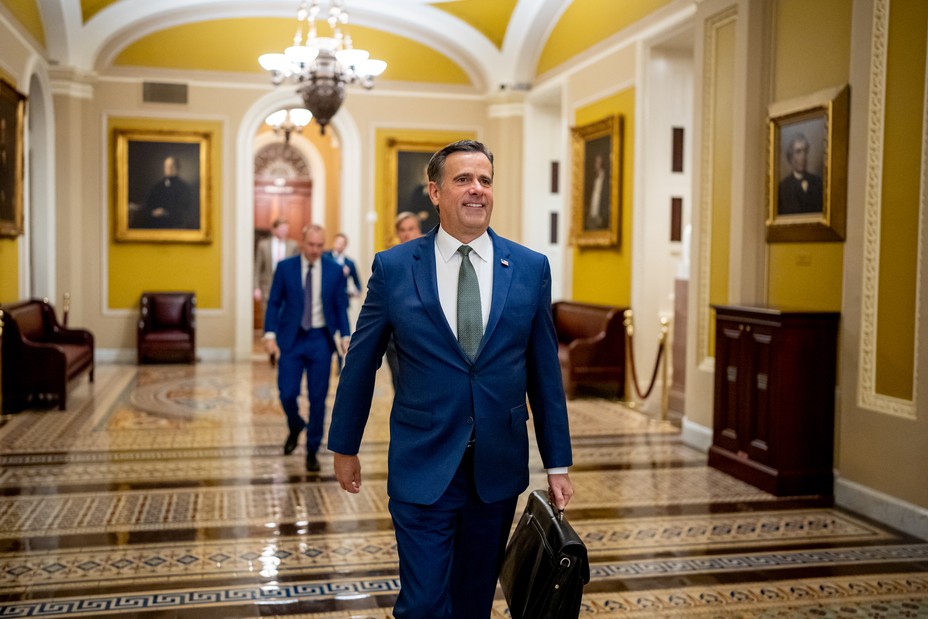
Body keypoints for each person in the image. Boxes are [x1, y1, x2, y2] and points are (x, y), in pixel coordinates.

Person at [327, 140, 574, 618]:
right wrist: (345, 446)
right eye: (463, 179)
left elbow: (544, 374)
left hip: (496, 471)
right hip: (422, 464)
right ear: (435, 192)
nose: (477, 189)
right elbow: (361, 362)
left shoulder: (529, 268)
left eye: (484, 180)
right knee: (421, 605)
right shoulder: (395, 267)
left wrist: (557, 462)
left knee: (473, 601)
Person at [264, 224, 350, 472]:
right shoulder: (285, 268)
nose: (315, 250)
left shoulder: (334, 271)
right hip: (291, 339)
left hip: (320, 341)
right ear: (302, 243)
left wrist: (345, 335)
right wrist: (269, 334)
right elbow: (274, 302)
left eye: (320, 245)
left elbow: (340, 306)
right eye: (311, 245)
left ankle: (312, 449)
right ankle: (295, 424)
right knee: (287, 393)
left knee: (318, 398)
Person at [384, 211, 423, 391]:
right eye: (403, 230)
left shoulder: (433, 258)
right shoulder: (389, 261)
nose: (407, 233)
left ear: (419, 230)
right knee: (400, 388)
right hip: (396, 342)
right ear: (398, 233)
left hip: (425, 340)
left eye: (411, 229)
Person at [254, 218, 299, 321]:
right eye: (281, 228)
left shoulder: (293, 245)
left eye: (286, 229)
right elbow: (257, 268)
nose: (284, 231)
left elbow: (297, 268)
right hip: (267, 286)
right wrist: (256, 287)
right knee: (268, 316)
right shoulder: (263, 245)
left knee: (285, 316)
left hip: (287, 287)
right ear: (274, 230)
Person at [134, 156, 196, 229]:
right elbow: (148, 202)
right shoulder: (158, 186)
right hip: (154, 222)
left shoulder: (184, 187)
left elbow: (185, 209)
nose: (168, 168)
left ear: (177, 168)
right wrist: (151, 211)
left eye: (171, 166)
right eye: (166, 166)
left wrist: (166, 212)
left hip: (175, 223)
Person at [778, 133, 824, 215]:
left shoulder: (818, 183)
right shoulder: (783, 187)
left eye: (805, 151)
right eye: (798, 152)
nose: (803, 156)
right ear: (791, 156)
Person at [324, 232, 362, 298]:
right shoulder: (325, 257)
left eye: (342, 243)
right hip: (326, 297)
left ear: (345, 245)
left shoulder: (349, 263)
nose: (339, 245)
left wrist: (353, 292)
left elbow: (358, 284)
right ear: (334, 242)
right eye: (338, 242)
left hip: (342, 298)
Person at [584, 151, 609, 230]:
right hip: (590, 216)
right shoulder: (592, 178)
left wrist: (603, 217)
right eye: (596, 162)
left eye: (598, 162)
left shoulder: (606, 180)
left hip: (600, 218)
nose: (596, 165)